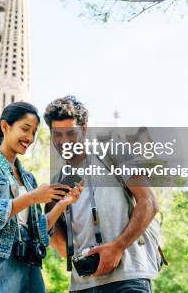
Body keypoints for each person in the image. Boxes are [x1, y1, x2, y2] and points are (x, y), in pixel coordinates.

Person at [0, 101, 83, 293]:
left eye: (34, 132)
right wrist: (31, 198)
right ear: (5, 126)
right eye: (25, 129)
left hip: (30, 270)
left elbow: (39, 234)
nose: (29, 137)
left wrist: (62, 204)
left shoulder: (28, 179)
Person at [44, 96, 161, 293]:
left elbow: (149, 201)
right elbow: (54, 233)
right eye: (57, 134)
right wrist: (80, 257)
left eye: (71, 133)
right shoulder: (58, 180)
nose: (64, 142)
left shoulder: (112, 154)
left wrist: (117, 247)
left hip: (128, 279)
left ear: (85, 129)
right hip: (82, 285)